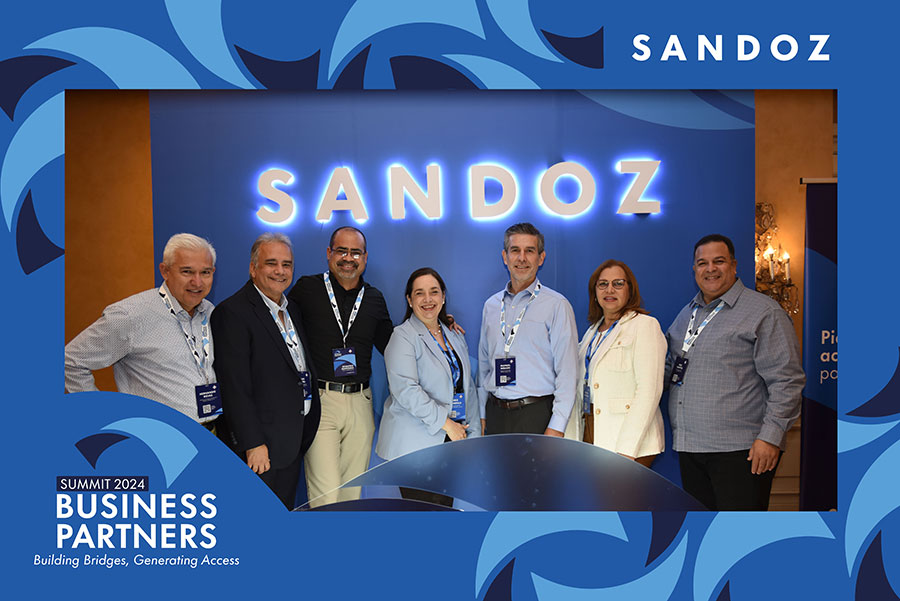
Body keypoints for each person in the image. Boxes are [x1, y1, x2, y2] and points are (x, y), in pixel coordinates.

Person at [665, 233, 804, 510]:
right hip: (691, 448)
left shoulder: (764, 312)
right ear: (694, 269)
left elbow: (787, 381)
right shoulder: (687, 314)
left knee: (739, 533)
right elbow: (670, 367)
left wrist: (770, 437)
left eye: (719, 261)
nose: (710, 269)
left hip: (742, 452)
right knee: (704, 531)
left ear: (734, 265)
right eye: (702, 263)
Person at [65, 233, 221, 429]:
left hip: (211, 431)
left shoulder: (210, 311)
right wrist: (100, 416)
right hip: (159, 436)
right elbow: (71, 362)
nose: (197, 282)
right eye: (187, 272)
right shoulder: (130, 315)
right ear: (165, 271)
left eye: (205, 272)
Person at [211, 233, 321, 510]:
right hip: (260, 449)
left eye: (286, 264)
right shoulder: (233, 312)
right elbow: (234, 387)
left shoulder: (292, 309)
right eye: (271, 263)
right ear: (253, 268)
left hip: (290, 441)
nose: (280, 271)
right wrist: (253, 443)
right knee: (254, 520)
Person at [288, 226, 393, 507]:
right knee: (326, 496)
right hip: (322, 402)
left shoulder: (374, 298)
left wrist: (436, 326)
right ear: (329, 253)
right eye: (341, 251)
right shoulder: (306, 289)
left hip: (361, 401)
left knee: (351, 495)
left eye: (355, 252)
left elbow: (394, 346)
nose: (348, 258)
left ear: (365, 257)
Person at [375, 268, 481, 506]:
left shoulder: (455, 335)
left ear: (443, 297)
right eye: (419, 293)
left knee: (445, 511)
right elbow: (406, 390)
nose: (428, 299)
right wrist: (447, 424)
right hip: (416, 448)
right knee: (424, 517)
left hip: (452, 441)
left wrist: (473, 436)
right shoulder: (402, 336)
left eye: (434, 292)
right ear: (409, 300)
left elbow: (468, 388)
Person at [478, 222, 577, 436]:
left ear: (541, 258)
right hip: (495, 413)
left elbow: (568, 373)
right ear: (505, 257)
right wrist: (482, 414)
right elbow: (484, 366)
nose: (521, 258)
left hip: (536, 415)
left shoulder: (557, 305)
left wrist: (557, 427)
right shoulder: (491, 306)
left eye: (529, 251)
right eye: (515, 250)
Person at [573, 260, 666, 467]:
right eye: (603, 284)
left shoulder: (645, 326)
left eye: (618, 283)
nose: (610, 290)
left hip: (629, 442)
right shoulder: (591, 332)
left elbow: (649, 391)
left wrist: (627, 450)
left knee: (620, 490)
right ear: (594, 292)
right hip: (592, 430)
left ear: (630, 290)